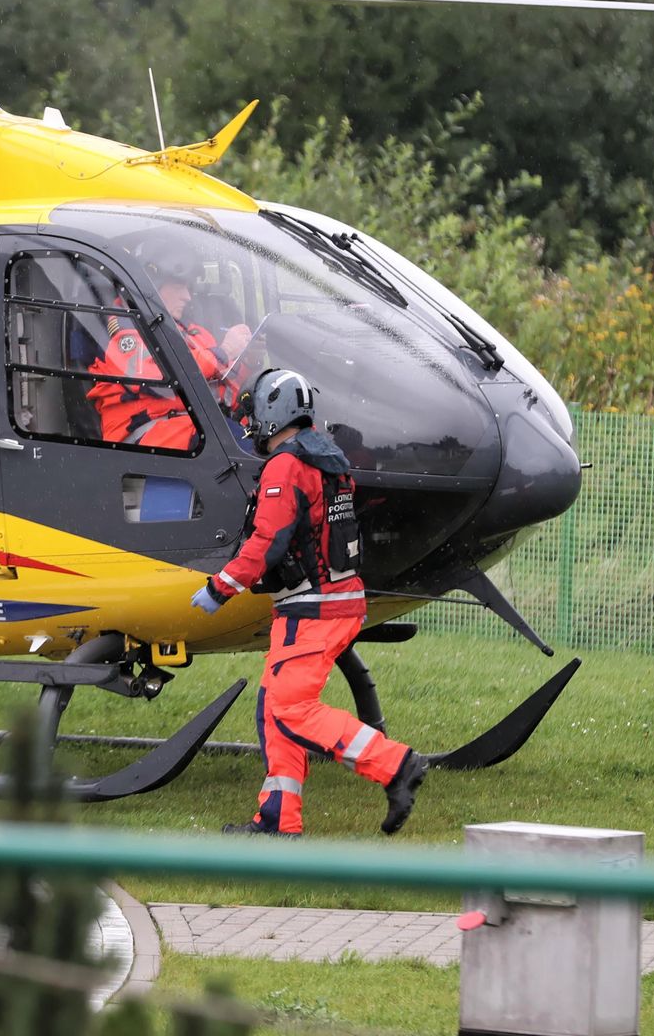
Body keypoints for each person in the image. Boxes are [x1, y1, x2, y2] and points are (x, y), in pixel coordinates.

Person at [191, 368, 428, 837]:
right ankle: (279, 818)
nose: (251, 422)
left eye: (255, 413)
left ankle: (396, 765)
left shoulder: (286, 466)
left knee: (292, 709)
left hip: (312, 609)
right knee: (272, 707)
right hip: (332, 602)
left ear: (273, 413)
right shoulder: (329, 458)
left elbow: (268, 540)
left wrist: (220, 587)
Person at [88, 233, 248, 448]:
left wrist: (248, 360)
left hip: (194, 426)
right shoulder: (124, 332)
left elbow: (223, 382)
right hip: (149, 436)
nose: (187, 297)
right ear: (153, 287)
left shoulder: (191, 331)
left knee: (257, 443)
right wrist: (226, 350)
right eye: (180, 287)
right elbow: (160, 379)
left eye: (189, 288)